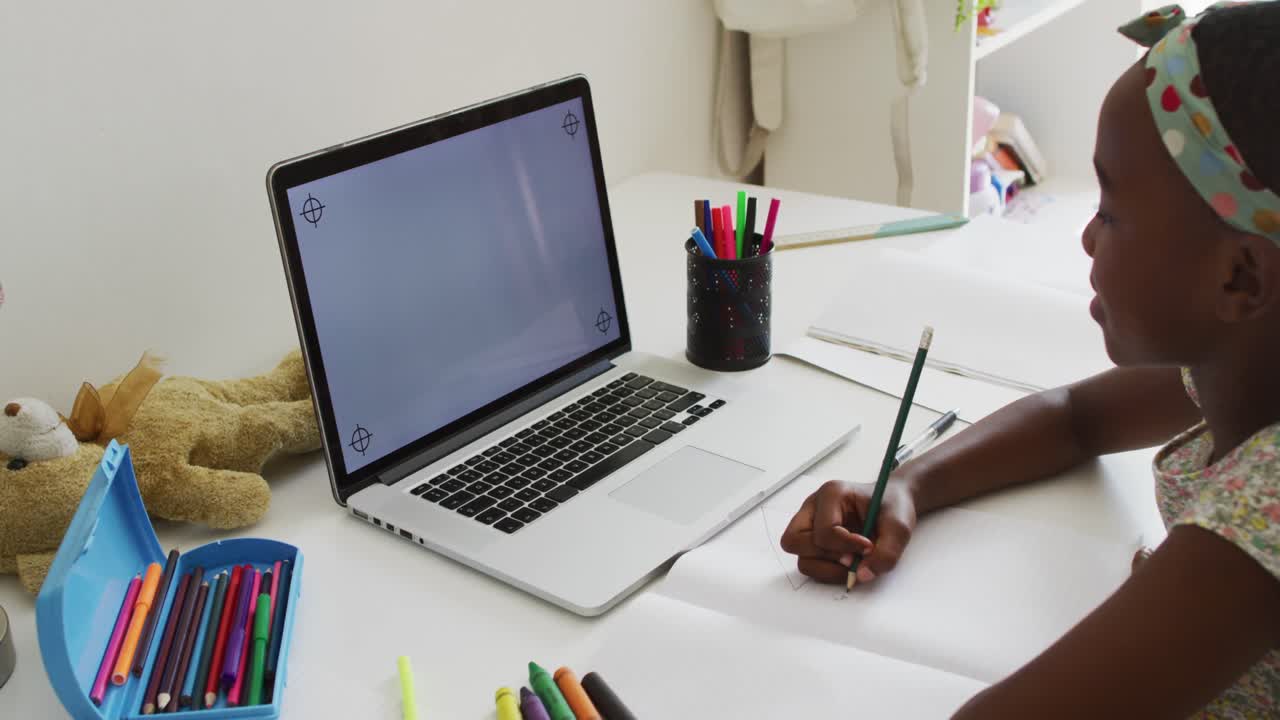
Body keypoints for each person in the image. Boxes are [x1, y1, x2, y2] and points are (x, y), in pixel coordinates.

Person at [780, 3, 1280, 716]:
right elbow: (1075, 418)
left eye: (1111, 210)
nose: (1085, 237)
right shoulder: (1246, 359)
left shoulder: (1261, 515)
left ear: (1241, 279)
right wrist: (910, 485)